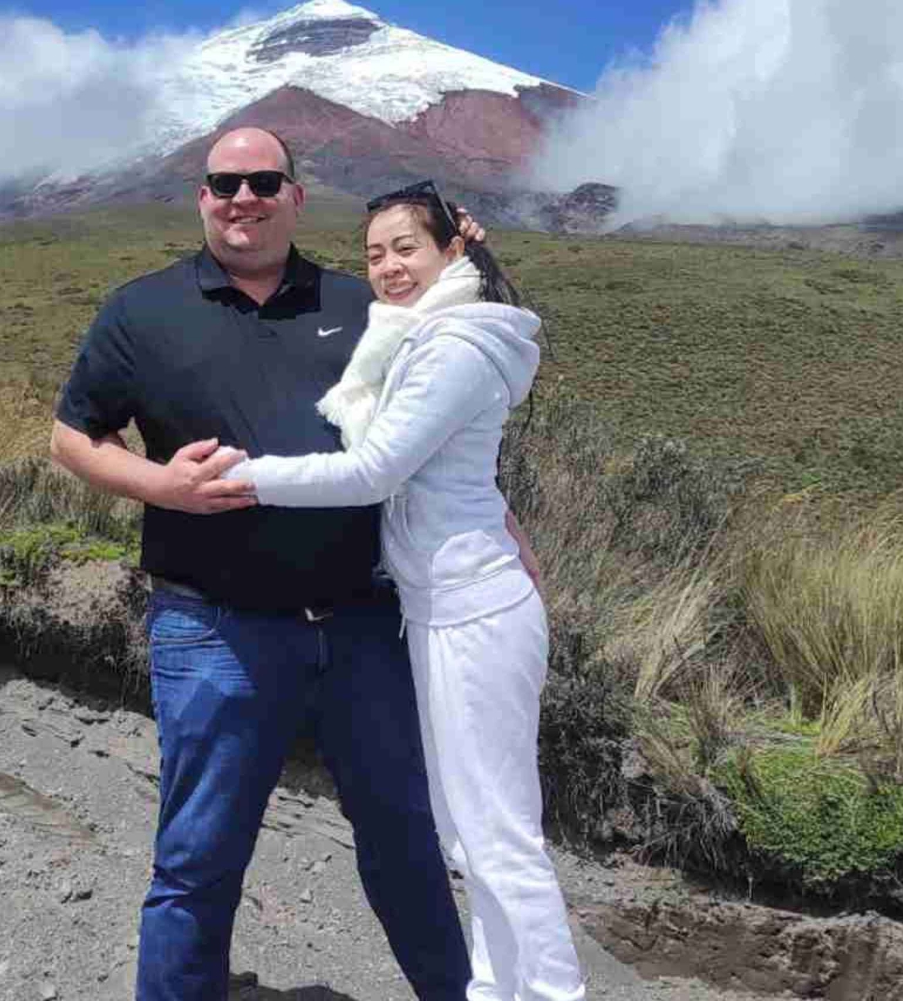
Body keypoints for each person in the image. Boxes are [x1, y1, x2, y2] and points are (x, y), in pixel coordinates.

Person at [50, 128, 473, 1000]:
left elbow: (462, 384)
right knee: (198, 856)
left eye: (263, 181)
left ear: (294, 195)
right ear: (201, 196)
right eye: (225, 183)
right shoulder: (142, 310)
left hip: (360, 625)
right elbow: (72, 437)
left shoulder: (365, 303)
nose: (244, 197)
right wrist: (161, 487)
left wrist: (465, 248)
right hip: (211, 624)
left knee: (405, 840)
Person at [219, 181, 586, 1001]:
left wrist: (238, 476)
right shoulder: (416, 334)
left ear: (452, 249)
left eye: (406, 248)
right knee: (467, 830)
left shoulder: (453, 344)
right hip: (439, 603)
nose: (387, 267)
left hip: (476, 608)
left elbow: (375, 467)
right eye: (375, 253)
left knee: (499, 836)